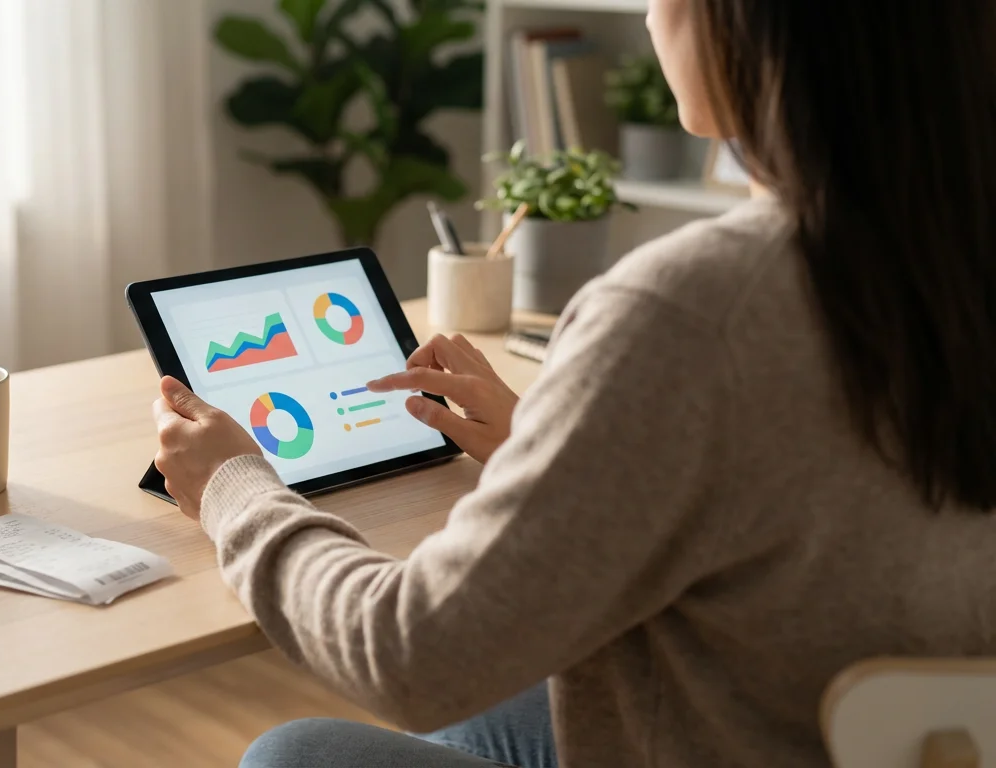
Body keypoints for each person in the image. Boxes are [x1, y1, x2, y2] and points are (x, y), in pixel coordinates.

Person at [150, 0, 996, 765]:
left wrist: (235, 487)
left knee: (295, 757)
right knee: (527, 683)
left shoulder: (692, 309)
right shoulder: (942, 253)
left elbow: (408, 657)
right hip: (869, 735)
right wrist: (562, 451)